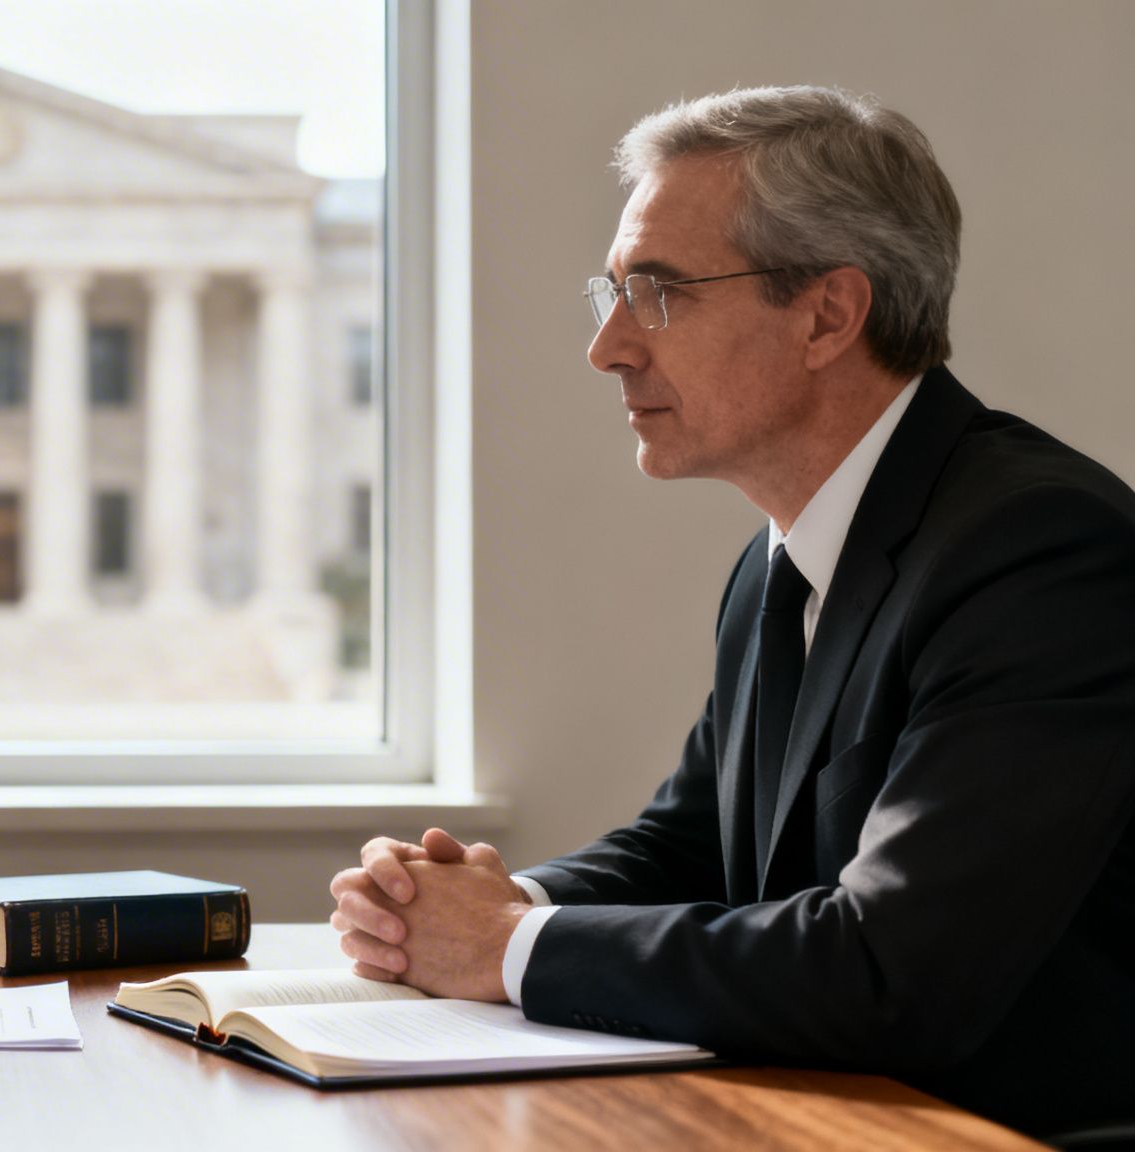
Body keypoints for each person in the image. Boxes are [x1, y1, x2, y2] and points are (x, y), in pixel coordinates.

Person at [330, 85, 1135, 1138]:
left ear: (825, 316)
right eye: (609, 293)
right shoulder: (781, 557)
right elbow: (692, 844)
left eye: (657, 294)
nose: (607, 346)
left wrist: (498, 950)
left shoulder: (1038, 552)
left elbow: (887, 969)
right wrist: (484, 904)